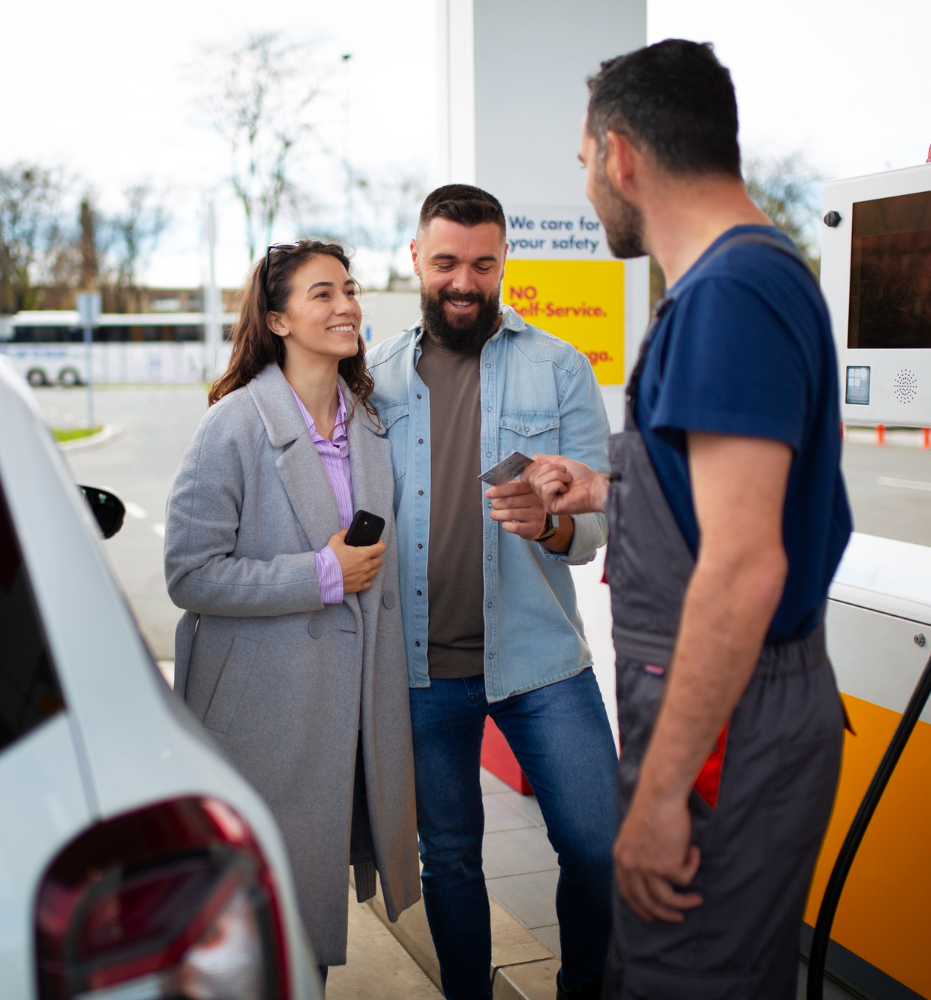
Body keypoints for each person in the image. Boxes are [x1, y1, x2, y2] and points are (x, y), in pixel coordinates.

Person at [522, 40, 852, 999]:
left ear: (621, 155)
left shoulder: (728, 298)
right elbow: (727, 502)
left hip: (725, 730)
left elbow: (745, 565)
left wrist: (663, 793)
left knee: (686, 980)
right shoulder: (752, 276)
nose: (587, 186)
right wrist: (606, 487)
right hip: (733, 715)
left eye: (584, 162)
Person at [368, 184, 617, 1000]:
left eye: (482, 264)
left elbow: (590, 530)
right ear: (416, 259)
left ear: (504, 262)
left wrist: (547, 526)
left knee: (596, 848)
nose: (464, 282)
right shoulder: (371, 380)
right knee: (451, 859)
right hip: (420, 668)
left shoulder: (561, 367)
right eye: (445, 262)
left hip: (540, 658)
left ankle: (581, 987)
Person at [164, 239, 421, 974]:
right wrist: (321, 574)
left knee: (303, 930)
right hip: (262, 718)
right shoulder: (234, 425)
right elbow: (190, 574)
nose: (346, 306)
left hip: (349, 715)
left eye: (350, 289)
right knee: (261, 927)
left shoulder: (368, 425)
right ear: (276, 319)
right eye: (322, 294)